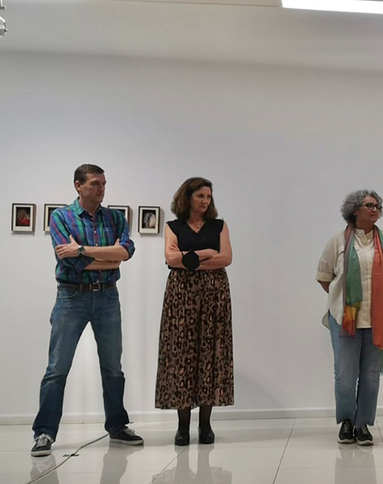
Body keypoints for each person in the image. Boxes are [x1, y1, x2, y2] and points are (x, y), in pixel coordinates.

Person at [31, 164, 142, 457]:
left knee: (113, 367)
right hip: (71, 297)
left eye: (104, 183)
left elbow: (125, 254)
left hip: (107, 298)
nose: (101, 188)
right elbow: (71, 263)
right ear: (78, 186)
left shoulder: (115, 217)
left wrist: (82, 249)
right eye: (95, 183)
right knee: (57, 368)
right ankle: (44, 432)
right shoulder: (61, 217)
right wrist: (106, 256)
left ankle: (117, 426)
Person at [316, 190, 383, 446]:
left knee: (370, 375)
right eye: (369, 206)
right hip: (345, 319)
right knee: (345, 374)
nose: (375, 210)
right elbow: (324, 277)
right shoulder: (337, 242)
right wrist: (346, 300)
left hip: (377, 319)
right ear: (355, 210)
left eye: (377, 206)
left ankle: (363, 424)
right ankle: (346, 421)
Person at [155, 177, 233, 446]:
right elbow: (171, 259)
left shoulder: (219, 226)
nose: (205, 201)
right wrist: (207, 253)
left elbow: (226, 259)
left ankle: (206, 425)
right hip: (181, 295)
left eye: (208, 197)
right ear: (187, 197)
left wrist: (190, 260)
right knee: (181, 353)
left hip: (214, 295)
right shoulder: (172, 226)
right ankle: (182, 426)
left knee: (210, 353)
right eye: (200, 196)